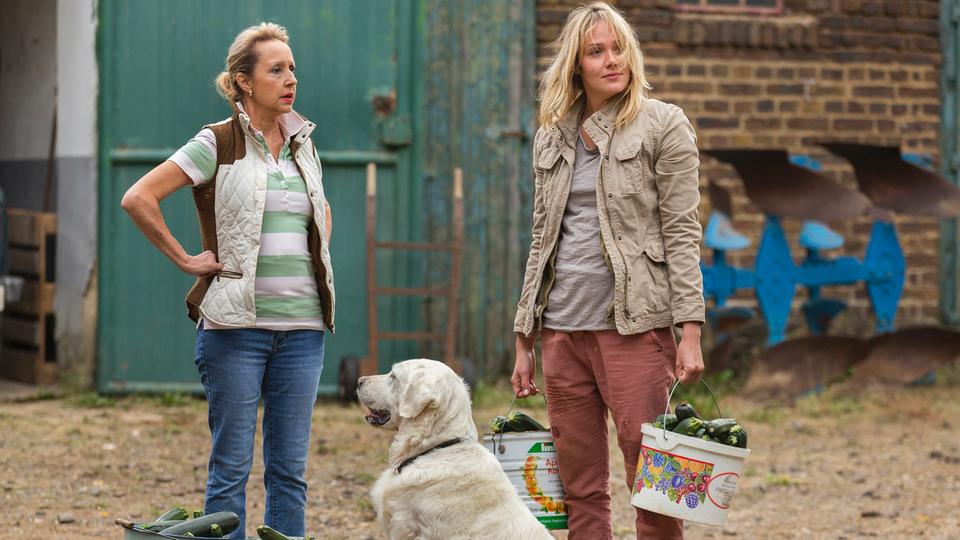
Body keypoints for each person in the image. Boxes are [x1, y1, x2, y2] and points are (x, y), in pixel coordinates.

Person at [121, 22, 334, 539]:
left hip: (304, 331)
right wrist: (185, 259)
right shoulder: (216, 141)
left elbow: (320, 212)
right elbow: (138, 197)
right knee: (231, 471)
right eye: (276, 70)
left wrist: (316, 252)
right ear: (243, 80)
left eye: (292, 68)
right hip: (235, 330)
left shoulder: (303, 143)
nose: (291, 79)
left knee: (290, 474)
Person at [510, 3, 704, 539]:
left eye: (619, 49)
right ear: (576, 64)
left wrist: (690, 331)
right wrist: (525, 336)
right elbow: (541, 240)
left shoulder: (663, 124)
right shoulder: (551, 136)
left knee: (655, 486)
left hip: (634, 330)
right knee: (579, 488)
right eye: (596, 51)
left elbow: (682, 232)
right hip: (561, 331)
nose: (611, 60)